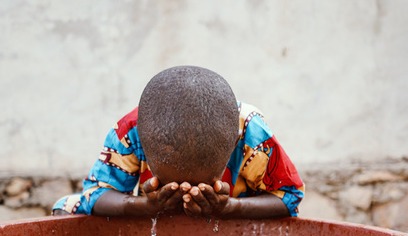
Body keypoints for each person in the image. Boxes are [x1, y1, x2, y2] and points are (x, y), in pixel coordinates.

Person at [53, 66, 304, 219]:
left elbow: (290, 196)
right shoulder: (132, 130)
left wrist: (229, 209)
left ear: (233, 145)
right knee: (65, 207)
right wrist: (147, 207)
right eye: (170, 182)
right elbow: (94, 193)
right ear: (146, 147)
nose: (187, 193)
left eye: (203, 183)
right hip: (156, 216)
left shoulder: (251, 133)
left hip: (235, 224)